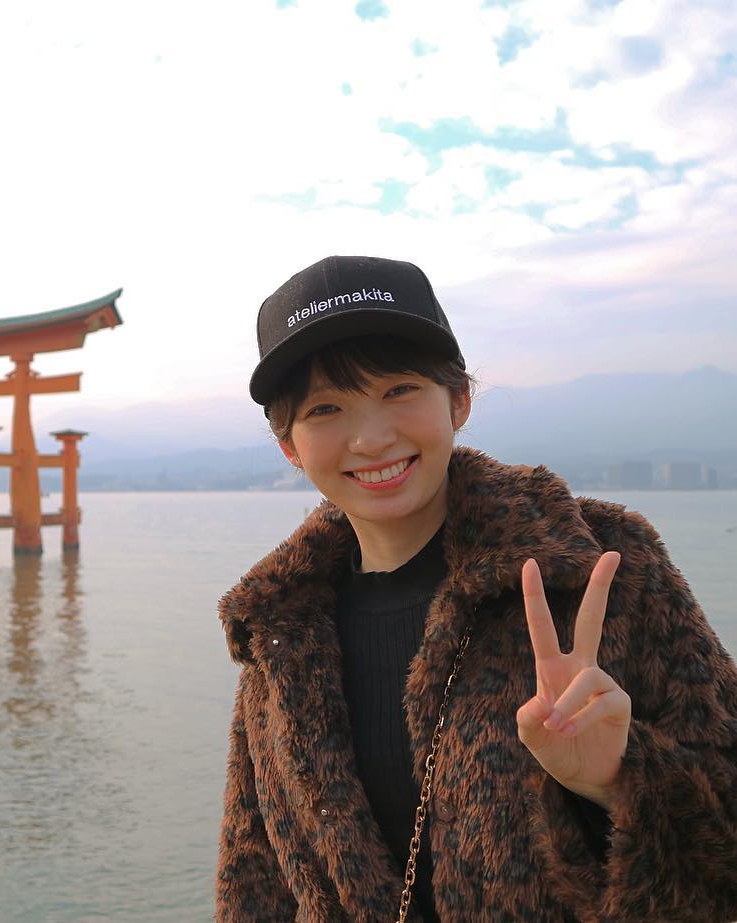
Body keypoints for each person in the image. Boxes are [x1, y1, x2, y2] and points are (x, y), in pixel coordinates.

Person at [214, 255, 737, 922]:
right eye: (326, 408)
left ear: (458, 399)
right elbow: (254, 880)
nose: (371, 438)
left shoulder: (600, 568)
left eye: (399, 390)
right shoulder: (280, 630)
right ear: (290, 445)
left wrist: (619, 779)